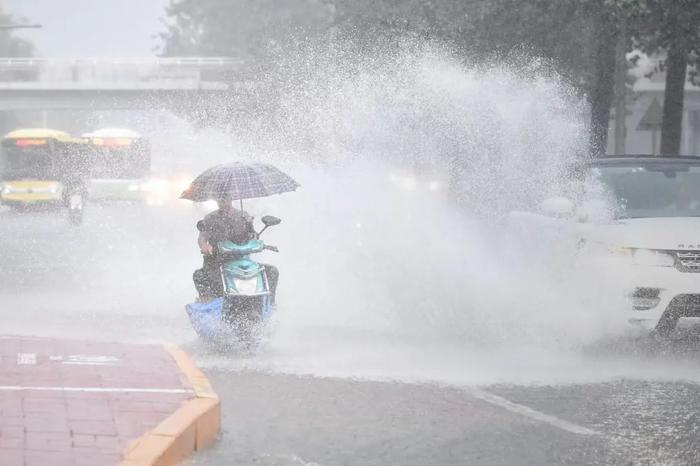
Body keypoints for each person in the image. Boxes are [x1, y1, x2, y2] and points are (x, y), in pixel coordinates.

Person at [192, 196, 279, 301]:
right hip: (217, 260)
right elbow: (202, 238)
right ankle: (209, 301)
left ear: (231, 199)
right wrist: (205, 246)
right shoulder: (210, 218)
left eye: (226, 198)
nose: (224, 201)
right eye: (221, 198)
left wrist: (255, 237)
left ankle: (270, 302)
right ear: (216, 200)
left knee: (272, 272)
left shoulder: (243, 215)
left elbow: (253, 234)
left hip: (240, 259)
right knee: (200, 276)